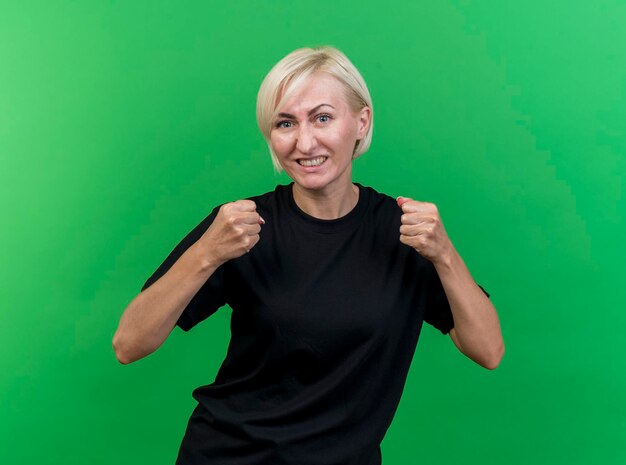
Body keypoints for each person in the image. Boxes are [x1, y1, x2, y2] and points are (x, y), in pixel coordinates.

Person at [113, 46, 504, 465]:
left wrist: (444, 254)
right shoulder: (242, 225)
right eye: (285, 123)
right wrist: (206, 254)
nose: (304, 142)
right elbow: (130, 343)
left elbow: (488, 351)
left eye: (322, 118)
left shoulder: (404, 232)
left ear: (361, 121)